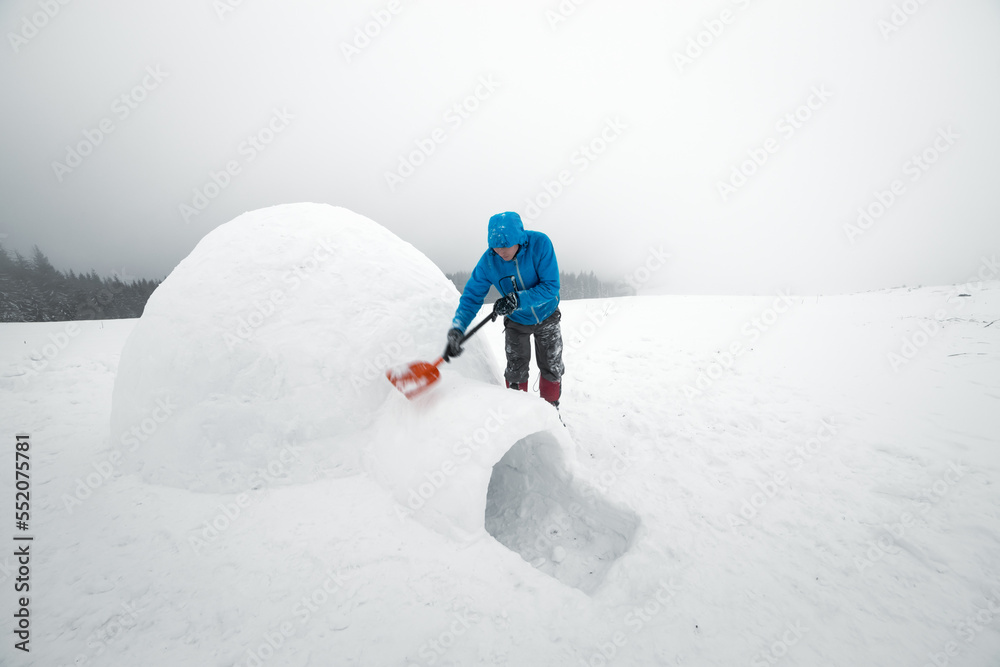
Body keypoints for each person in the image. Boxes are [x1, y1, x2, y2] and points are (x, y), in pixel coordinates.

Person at [443, 211, 564, 407]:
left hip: (547, 314)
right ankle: (517, 413)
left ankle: (551, 411)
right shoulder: (488, 262)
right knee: (516, 370)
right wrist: (458, 328)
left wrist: (517, 299)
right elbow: (472, 297)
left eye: (505, 246)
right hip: (517, 320)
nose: (501, 252)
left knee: (551, 365)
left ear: (518, 239)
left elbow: (551, 287)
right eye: (496, 247)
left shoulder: (540, 244)